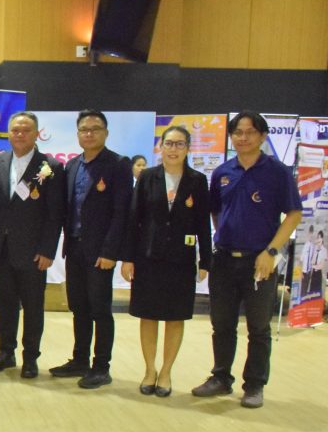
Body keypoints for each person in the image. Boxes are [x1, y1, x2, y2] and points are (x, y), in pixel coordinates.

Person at [191, 111, 302, 409]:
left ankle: (254, 385)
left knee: (258, 327)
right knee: (222, 324)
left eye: (250, 132)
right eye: (237, 132)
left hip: (260, 261)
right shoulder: (222, 172)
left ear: (262, 136)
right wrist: (224, 235)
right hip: (224, 260)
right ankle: (220, 377)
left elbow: (294, 214)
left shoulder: (277, 172)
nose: (243, 137)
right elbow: (216, 210)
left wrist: (271, 251)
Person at [120, 126, 212, 397]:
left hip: (180, 260)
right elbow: (133, 219)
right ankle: (150, 370)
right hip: (148, 257)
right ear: (160, 147)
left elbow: (203, 223)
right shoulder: (148, 177)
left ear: (188, 148)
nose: (173, 149)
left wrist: (206, 261)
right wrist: (128, 257)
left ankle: (166, 372)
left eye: (179, 144)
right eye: (169, 144)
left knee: (175, 317)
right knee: (148, 315)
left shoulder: (197, 181)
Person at [49, 109, 132, 389]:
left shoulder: (118, 164)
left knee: (100, 309)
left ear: (106, 133)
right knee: (79, 307)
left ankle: (101, 366)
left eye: (95, 129)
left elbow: (121, 212)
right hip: (74, 247)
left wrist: (110, 252)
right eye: (84, 129)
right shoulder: (72, 166)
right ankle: (80, 360)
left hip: (100, 252)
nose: (89, 133)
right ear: (78, 134)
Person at [0, 111, 65, 379]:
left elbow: (54, 214)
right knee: (5, 306)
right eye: (15, 130)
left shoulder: (49, 166)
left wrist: (47, 250)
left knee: (32, 308)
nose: (20, 134)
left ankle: (30, 358)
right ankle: (6, 352)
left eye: (26, 130)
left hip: (33, 253)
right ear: (8, 133)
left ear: (37, 133)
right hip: (1, 250)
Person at [300, 226, 325, 297]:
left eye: (312, 234)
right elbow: (301, 259)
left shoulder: (313, 246)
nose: (311, 236)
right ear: (308, 234)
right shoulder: (306, 245)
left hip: (310, 272)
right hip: (304, 271)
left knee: (308, 290)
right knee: (303, 290)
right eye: (310, 233)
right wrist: (301, 272)